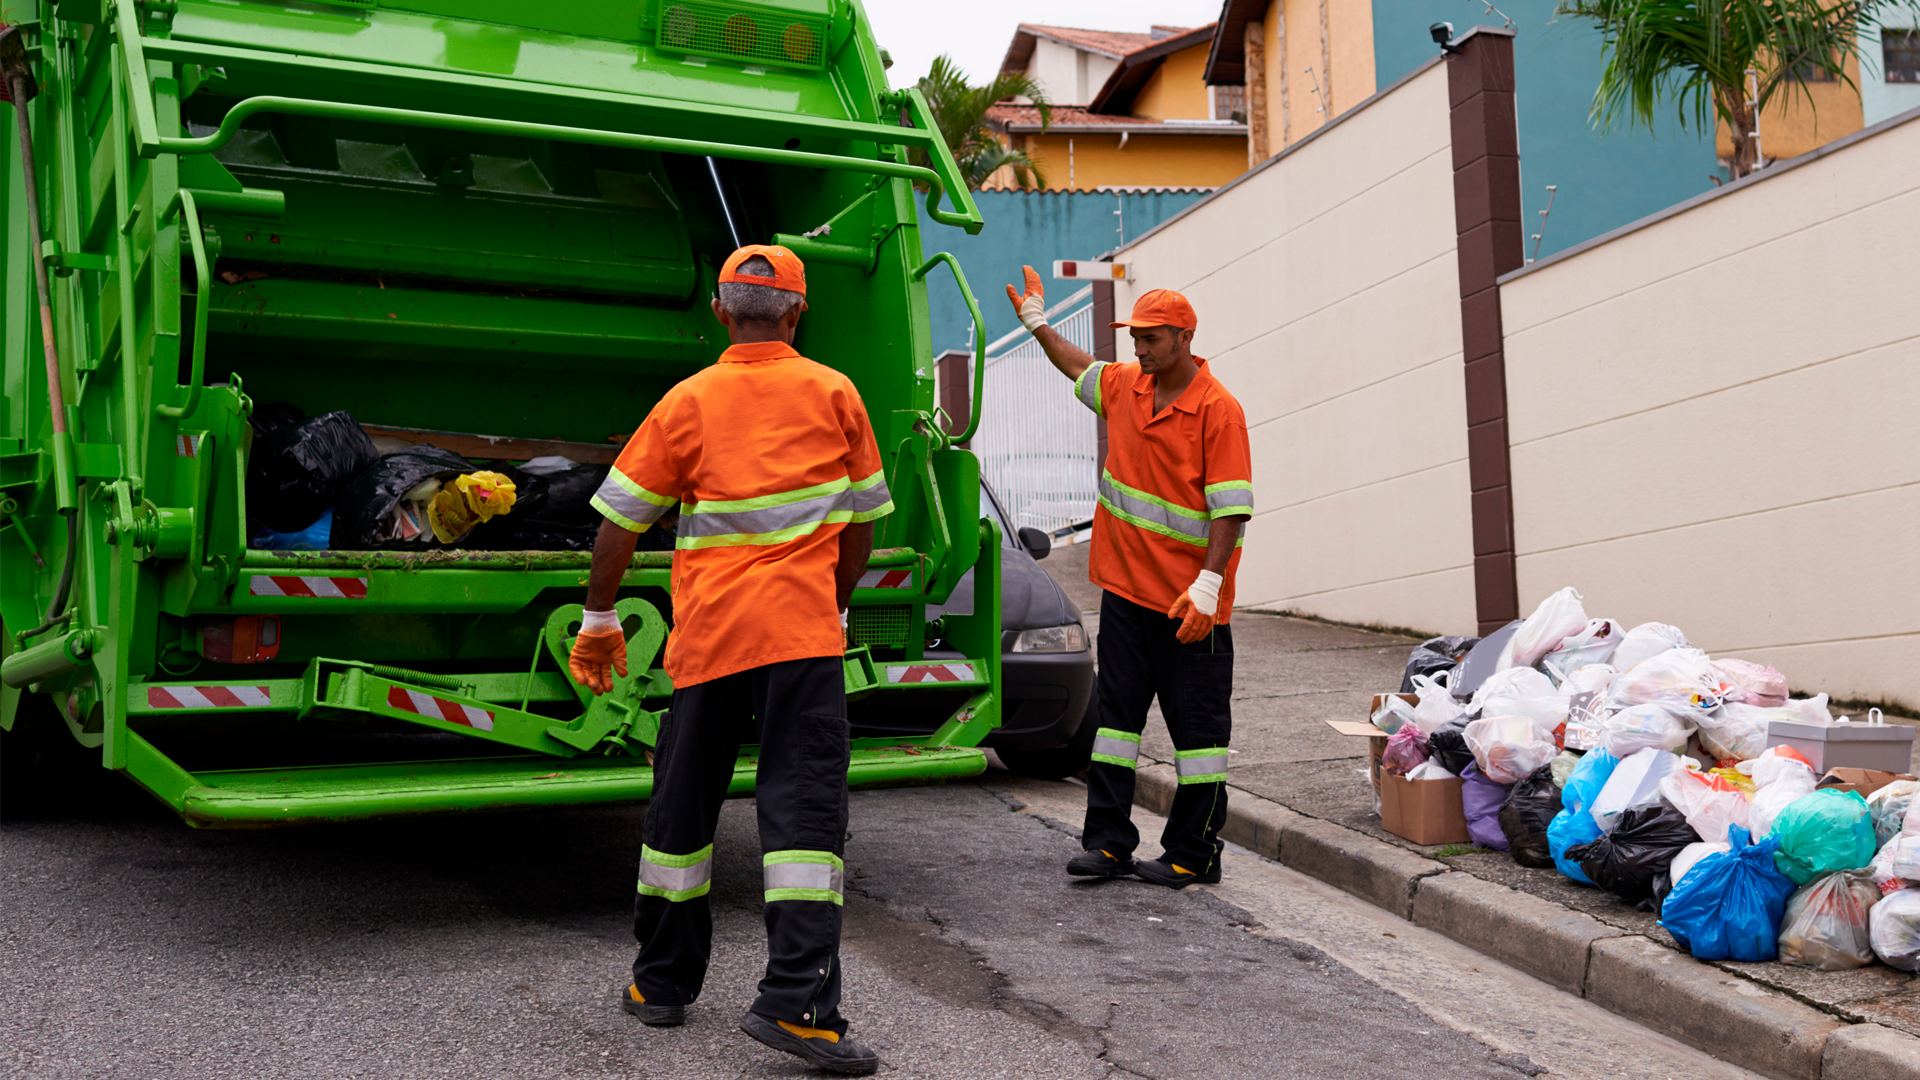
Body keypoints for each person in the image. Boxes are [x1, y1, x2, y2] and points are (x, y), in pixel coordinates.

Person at [568, 244, 891, 1075]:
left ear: (719, 311)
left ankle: (660, 985)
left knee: (680, 814)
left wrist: (600, 615)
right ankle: (799, 1005)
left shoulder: (688, 399)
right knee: (804, 819)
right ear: (796, 312)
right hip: (800, 638)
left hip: (709, 640)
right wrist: (836, 595)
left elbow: (618, 521)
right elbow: (861, 526)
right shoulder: (834, 392)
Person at [1004, 266, 1253, 888]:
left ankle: (1194, 854)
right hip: (1126, 597)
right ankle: (1109, 844)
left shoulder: (1218, 412)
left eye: (1150, 338)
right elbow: (1078, 365)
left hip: (1189, 606)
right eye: (1135, 337)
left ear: (1184, 338)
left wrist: (1208, 586)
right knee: (1114, 727)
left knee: (1198, 738)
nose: (1138, 349)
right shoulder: (1126, 388)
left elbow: (1232, 510)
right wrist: (1037, 324)